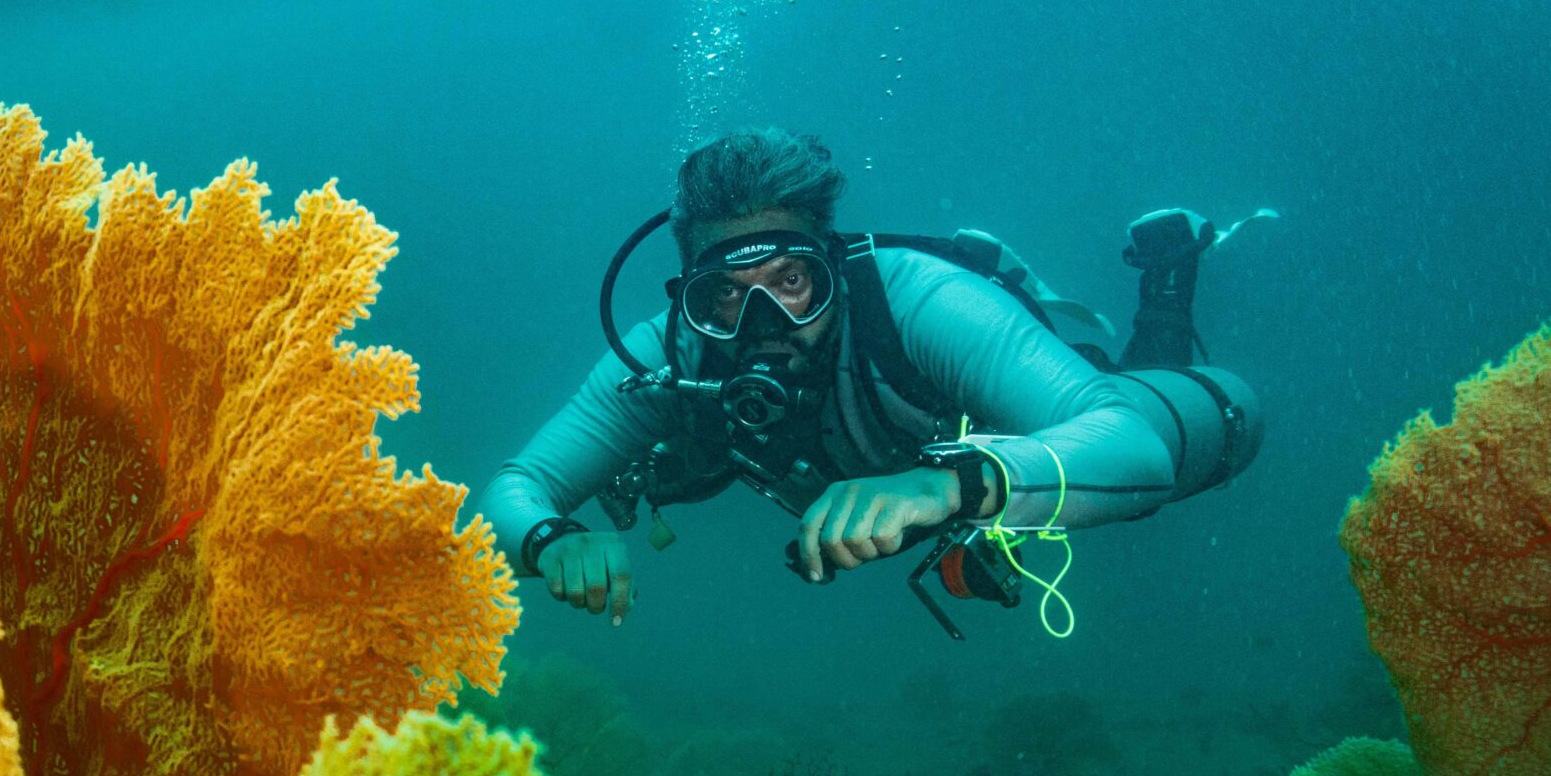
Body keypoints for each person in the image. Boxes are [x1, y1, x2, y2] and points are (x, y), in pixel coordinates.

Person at [483, 128, 1265, 630]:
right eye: (725, 294)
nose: (763, 326)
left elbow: (1132, 444)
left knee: (1208, 414)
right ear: (689, 295)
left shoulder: (917, 300)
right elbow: (519, 484)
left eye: (793, 282)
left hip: (994, 437)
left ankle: (1168, 276)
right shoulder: (664, 356)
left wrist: (946, 487)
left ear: (832, 267)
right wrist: (552, 540)